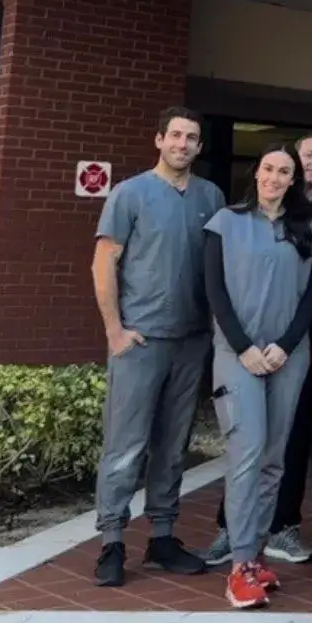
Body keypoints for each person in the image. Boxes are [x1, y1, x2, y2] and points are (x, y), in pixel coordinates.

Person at [92, 106, 225, 587]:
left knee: (173, 447)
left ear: (199, 146)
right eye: (175, 135)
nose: (183, 144)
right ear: (159, 140)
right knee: (125, 447)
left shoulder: (212, 196)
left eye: (192, 137)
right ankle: (111, 542)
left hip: (191, 340)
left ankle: (163, 537)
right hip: (140, 339)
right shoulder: (130, 194)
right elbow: (104, 263)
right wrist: (115, 331)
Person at [204, 133, 312, 569]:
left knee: (274, 458)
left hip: (289, 354)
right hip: (237, 356)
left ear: (293, 179)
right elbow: (214, 291)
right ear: (257, 173)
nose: (274, 176)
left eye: (284, 171)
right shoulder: (224, 222)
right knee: (246, 453)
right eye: (268, 168)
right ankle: (241, 560)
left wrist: (285, 346)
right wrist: (244, 347)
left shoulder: (309, 228)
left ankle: (256, 551)